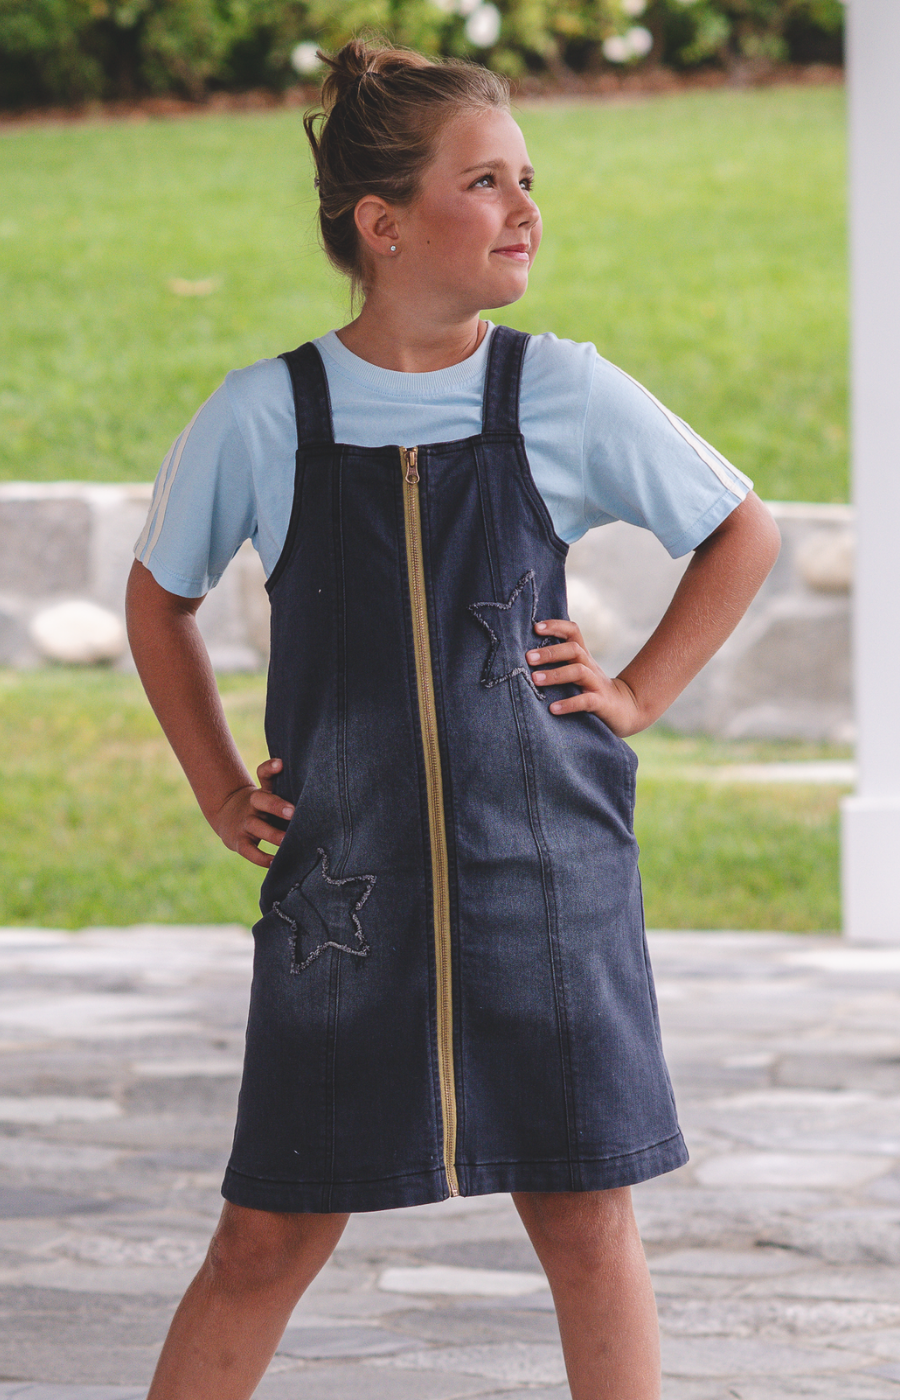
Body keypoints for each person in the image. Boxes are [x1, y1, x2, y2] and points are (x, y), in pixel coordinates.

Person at [126, 37, 780, 1400]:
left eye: (527, 177)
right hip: (343, 908)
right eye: (486, 182)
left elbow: (740, 530)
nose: (526, 207)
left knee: (586, 1219)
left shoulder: (562, 391)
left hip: (548, 887)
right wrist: (215, 784)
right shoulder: (265, 416)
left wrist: (639, 692)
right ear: (383, 223)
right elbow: (157, 599)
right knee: (264, 1235)